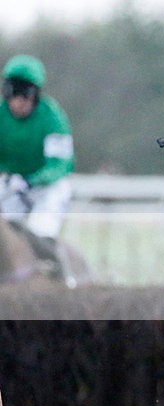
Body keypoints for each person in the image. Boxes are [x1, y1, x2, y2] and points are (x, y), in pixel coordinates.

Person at [0, 54, 75, 286]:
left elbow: (60, 164)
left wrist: (32, 180)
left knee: (39, 232)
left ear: (35, 95)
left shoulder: (52, 117)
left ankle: (63, 280)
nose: (18, 103)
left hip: (47, 188)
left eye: (25, 96)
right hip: (12, 184)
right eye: (14, 95)